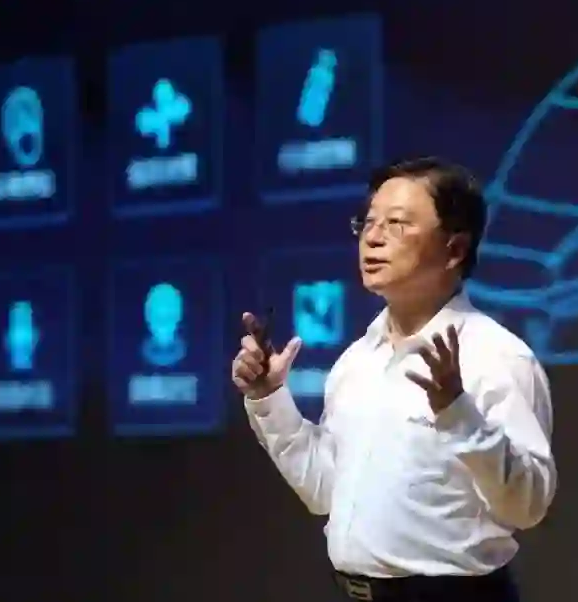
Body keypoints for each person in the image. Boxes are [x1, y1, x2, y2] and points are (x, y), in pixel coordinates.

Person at [232, 157, 556, 602]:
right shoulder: (357, 361)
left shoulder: (496, 356)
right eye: (367, 222)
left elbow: (528, 505)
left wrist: (460, 415)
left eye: (397, 224)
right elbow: (325, 491)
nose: (373, 237)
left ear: (455, 249)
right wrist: (269, 399)